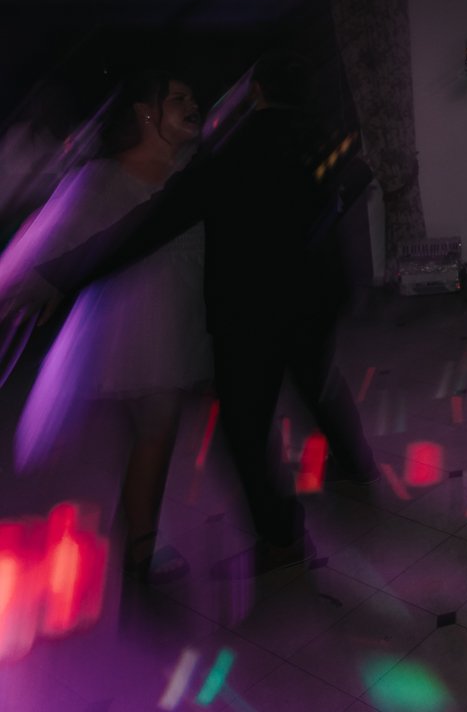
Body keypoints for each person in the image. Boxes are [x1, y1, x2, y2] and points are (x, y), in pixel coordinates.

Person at [17, 52, 376, 575]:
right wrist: (321, 218)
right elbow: (355, 175)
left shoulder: (227, 155)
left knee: (247, 430)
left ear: (256, 92)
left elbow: (144, 231)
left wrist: (62, 276)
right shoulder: (318, 135)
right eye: (178, 98)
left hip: (250, 315)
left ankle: (281, 538)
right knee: (314, 382)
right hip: (313, 301)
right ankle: (355, 464)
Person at [1, 72, 209, 584]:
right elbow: (54, 240)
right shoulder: (103, 177)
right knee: (155, 434)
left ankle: (137, 527)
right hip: (136, 328)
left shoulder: (191, 169)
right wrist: (31, 290)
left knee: (150, 438)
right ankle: (141, 549)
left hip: (177, 319)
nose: (192, 105)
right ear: (146, 113)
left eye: (192, 97)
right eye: (177, 98)